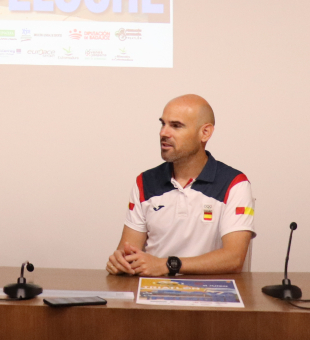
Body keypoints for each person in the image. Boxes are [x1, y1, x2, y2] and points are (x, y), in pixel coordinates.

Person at [106, 94, 254, 276]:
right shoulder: (144, 182)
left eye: (176, 126)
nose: (163, 133)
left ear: (205, 133)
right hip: (153, 296)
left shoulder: (235, 184)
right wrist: (120, 263)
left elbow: (234, 258)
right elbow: (127, 251)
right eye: (163, 124)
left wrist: (168, 265)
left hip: (212, 296)